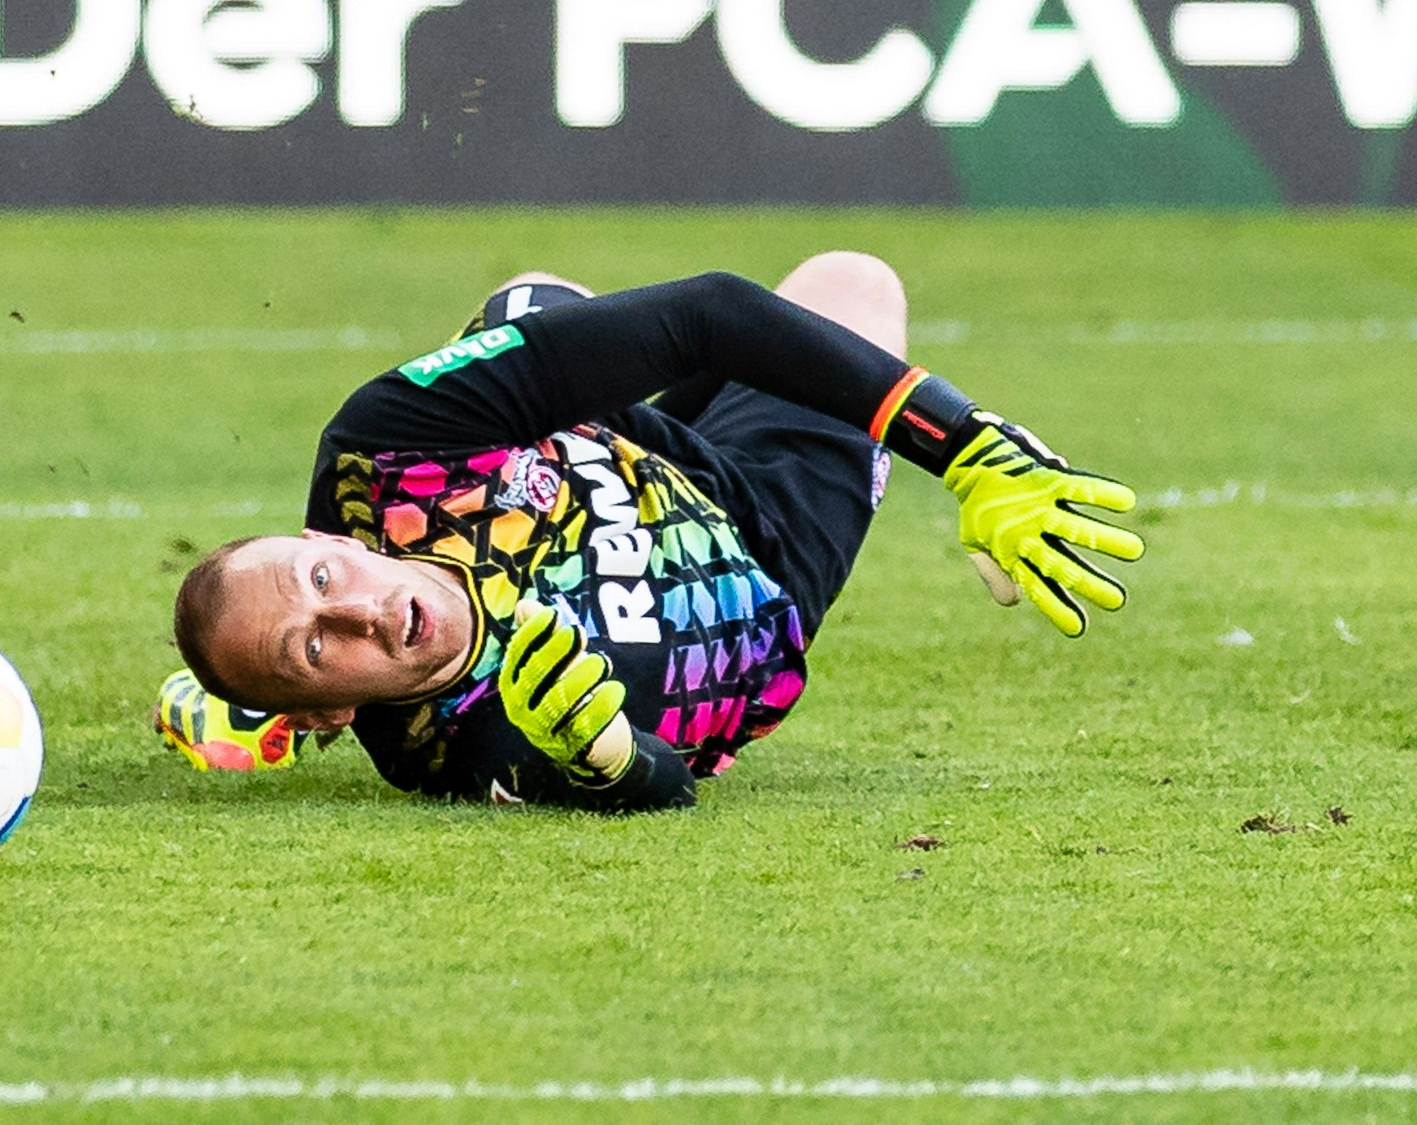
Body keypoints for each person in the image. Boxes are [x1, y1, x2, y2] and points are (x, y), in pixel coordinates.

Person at [159, 255, 1144, 812]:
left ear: (335, 536)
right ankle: (260, 705)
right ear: (342, 717)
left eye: (325, 575)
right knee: (857, 293)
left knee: (533, 303)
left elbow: (705, 314)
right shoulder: (451, 743)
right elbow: (661, 787)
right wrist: (606, 761)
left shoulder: (382, 454)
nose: (361, 611)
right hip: (758, 561)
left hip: (654, 457)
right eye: (315, 646)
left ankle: (258, 697)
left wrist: (964, 446)